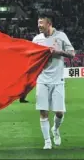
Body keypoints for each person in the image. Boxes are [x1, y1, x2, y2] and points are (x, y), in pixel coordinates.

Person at [32, 14, 75, 149]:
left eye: (41, 23)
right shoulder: (37, 39)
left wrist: (58, 52)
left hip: (57, 80)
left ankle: (55, 129)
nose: (39, 25)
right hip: (42, 79)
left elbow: (72, 53)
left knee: (59, 112)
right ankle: (47, 142)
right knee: (43, 111)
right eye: (38, 23)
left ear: (49, 24)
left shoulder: (61, 36)